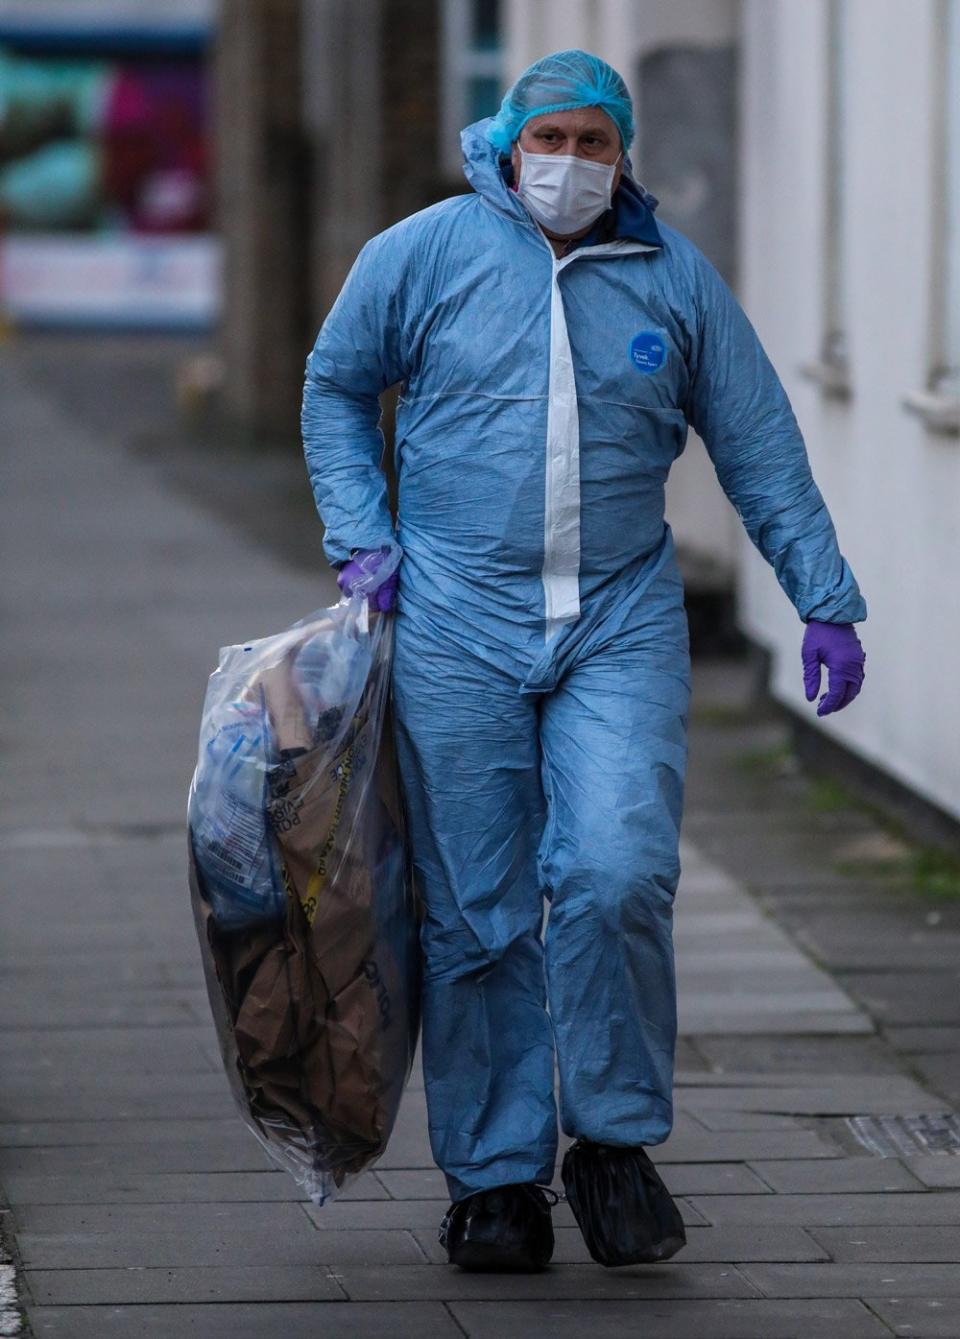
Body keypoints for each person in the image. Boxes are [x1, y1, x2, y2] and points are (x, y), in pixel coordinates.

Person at [301, 49, 867, 1272]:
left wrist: (825, 600)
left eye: (594, 143)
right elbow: (338, 384)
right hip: (455, 616)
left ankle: (612, 1144)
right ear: (508, 144)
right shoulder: (429, 253)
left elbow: (759, 442)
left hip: (618, 617)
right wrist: (363, 538)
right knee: (477, 910)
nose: (569, 164)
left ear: (624, 157)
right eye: (550, 139)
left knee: (615, 871)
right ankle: (496, 1176)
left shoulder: (673, 280)